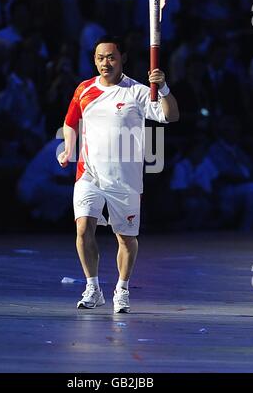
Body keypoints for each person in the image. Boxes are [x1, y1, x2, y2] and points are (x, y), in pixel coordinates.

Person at [58, 35, 179, 313]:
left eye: (111, 57)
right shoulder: (84, 89)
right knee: (83, 228)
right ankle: (92, 287)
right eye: (100, 58)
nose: (105, 63)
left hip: (125, 179)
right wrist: (68, 150)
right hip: (89, 173)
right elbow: (70, 123)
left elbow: (171, 116)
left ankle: (122, 290)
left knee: (125, 239)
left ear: (122, 58)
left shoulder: (137, 92)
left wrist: (162, 88)